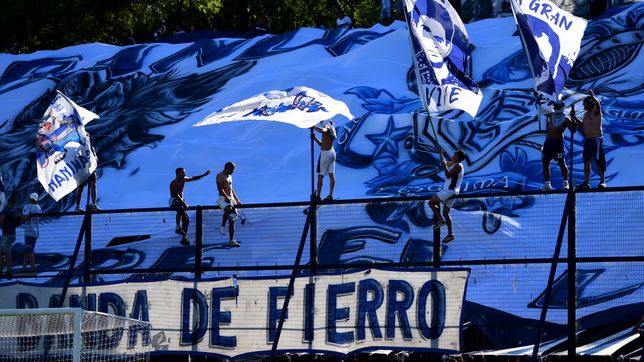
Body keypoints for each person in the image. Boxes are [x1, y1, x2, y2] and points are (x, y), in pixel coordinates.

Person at [570, 89, 606, 189]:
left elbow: (597, 104)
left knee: (599, 161)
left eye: (585, 104)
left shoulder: (596, 111)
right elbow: (582, 125)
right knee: (587, 161)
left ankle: (602, 181)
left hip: (596, 140)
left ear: (590, 103)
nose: (584, 106)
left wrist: (593, 97)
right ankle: (586, 182)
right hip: (588, 141)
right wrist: (574, 117)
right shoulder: (585, 115)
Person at [428, 149, 466, 243]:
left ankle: (440, 220)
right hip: (453, 192)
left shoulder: (457, 166)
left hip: (449, 191)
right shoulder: (455, 164)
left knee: (431, 202)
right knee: (446, 212)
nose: (452, 156)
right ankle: (450, 234)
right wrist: (440, 153)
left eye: (454, 155)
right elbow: (444, 162)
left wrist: (445, 165)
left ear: (458, 157)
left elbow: (448, 175)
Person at [170, 167, 211, 246]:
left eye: (184, 172)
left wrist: (203, 175)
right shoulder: (173, 183)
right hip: (174, 201)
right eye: (183, 172)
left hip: (181, 202)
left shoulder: (183, 179)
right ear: (178, 173)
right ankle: (177, 227)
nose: (185, 174)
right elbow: (176, 195)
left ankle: (184, 238)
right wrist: (183, 203)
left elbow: (193, 178)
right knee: (180, 207)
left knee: (186, 220)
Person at [541, 102, 574, 191]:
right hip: (548, 142)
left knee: (561, 162)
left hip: (558, 143)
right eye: (555, 107)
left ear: (562, 108)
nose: (556, 109)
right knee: (545, 162)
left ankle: (565, 183)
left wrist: (573, 118)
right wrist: (539, 98)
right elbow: (543, 108)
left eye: (558, 107)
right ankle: (547, 184)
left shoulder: (566, 119)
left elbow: (573, 130)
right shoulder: (551, 115)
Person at [216, 162, 242, 247]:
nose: (233, 171)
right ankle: (222, 226)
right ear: (228, 167)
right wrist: (226, 197)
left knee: (232, 219)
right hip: (222, 198)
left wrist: (237, 199)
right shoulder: (220, 175)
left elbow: (231, 188)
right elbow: (220, 188)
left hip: (231, 199)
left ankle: (231, 240)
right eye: (232, 169)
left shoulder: (230, 176)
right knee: (228, 208)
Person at [312, 120, 337, 202]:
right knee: (331, 174)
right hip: (332, 152)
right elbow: (324, 143)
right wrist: (315, 138)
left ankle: (318, 196)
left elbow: (323, 130)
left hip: (325, 154)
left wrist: (313, 127)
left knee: (320, 176)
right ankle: (330, 195)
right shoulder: (332, 128)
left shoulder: (327, 127)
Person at [75, 135, 99, 211]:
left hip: (91, 169)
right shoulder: (79, 147)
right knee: (81, 187)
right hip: (82, 170)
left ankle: (94, 204)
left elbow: (96, 157)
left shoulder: (92, 148)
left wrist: (94, 158)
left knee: (93, 184)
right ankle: (77, 206)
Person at [0, 197, 22, 279]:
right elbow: (19, 223)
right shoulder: (15, 211)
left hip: (6, 235)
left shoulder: (6, 211)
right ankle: (8, 272)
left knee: (2, 253)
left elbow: (1, 221)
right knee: (7, 252)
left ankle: (5, 272)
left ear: (8, 202)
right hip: (12, 235)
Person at [21, 193, 42, 273]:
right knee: (27, 251)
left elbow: (25, 218)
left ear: (30, 198)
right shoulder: (39, 208)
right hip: (36, 232)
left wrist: (18, 216)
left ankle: (33, 269)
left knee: (29, 251)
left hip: (29, 232)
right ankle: (23, 268)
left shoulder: (27, 206)